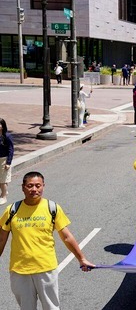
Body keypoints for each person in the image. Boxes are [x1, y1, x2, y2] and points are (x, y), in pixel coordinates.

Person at [0, 171, 95, 309]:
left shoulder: (52, 208)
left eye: (38, 186)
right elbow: (1, 239)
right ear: (23, 187)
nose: (34, 189)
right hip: (19, 271)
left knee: (51, 307)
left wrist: (82, 258)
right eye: (30, 186)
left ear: (43, 186)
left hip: (45, 268)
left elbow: (67, 237)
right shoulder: (12, 210)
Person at [0, 118, 14, 205]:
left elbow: (11, 149)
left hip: (3, 160)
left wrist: (8, 162)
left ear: (2, 126)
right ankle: (4, 192)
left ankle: (4, 196)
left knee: (2, 180)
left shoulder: (7, 136)